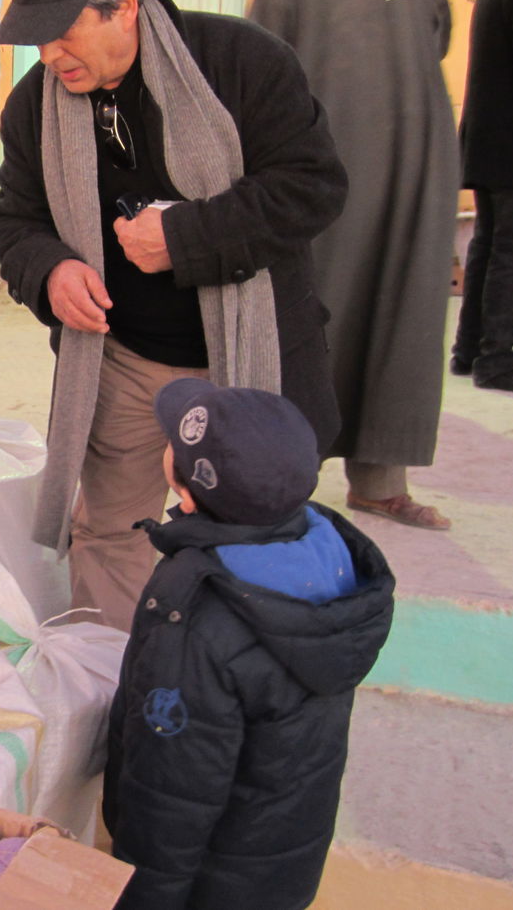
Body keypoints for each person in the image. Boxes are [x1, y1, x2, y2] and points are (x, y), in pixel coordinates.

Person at [0, 0, 346, 632]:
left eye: (63, 34)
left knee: (253, 542)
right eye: (37, 40)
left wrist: (185, 236)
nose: (50, 57)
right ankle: (112, 698)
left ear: (124, 6)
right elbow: (15, 221)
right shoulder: (34, 107)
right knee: (109, 534)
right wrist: (50, 271)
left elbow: (312, 186)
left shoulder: (241, 64)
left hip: (249, 361)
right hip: (120, 362)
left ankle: (232, 688)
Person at [103, 378, 394, 910]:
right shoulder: (324, 551)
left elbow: (173, 792)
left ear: (186, 487)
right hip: (282, 861)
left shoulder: (196, 612)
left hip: (207, 881)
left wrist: (142, 896)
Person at [250, 0, 459, 529]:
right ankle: (285, 478)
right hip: (334, 182)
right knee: (320, 319)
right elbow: (259, 71)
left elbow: (434, 39)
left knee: (405, 314)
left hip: (414, 168)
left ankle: (380, 480)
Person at [451, 0, 513, 393]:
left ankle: (468, 349)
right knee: (511, 253)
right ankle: (496, 359)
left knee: (489, 245)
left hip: (491, 140)